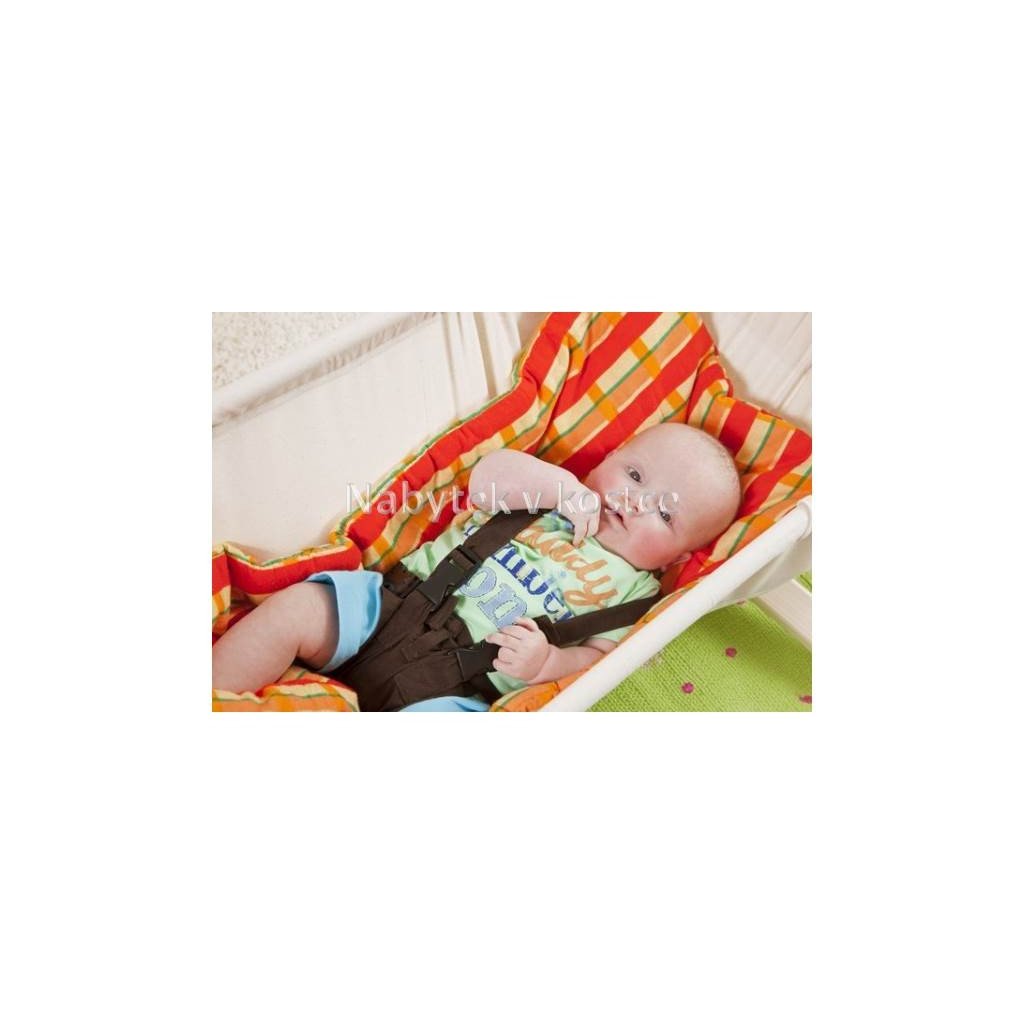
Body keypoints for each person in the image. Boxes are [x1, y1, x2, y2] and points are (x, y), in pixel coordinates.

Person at [211, 422, 741, 709]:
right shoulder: (550, 490)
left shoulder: (636, 592)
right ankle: (213, 694)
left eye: (665, 513)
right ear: (608, 458)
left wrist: (547, 665)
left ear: (677, 558)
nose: (635, 502)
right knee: (299, 609)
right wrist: (559, 488)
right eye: (635, 475)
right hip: (388, 607)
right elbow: (486, 480)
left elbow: (599, 659)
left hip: (464, 687)